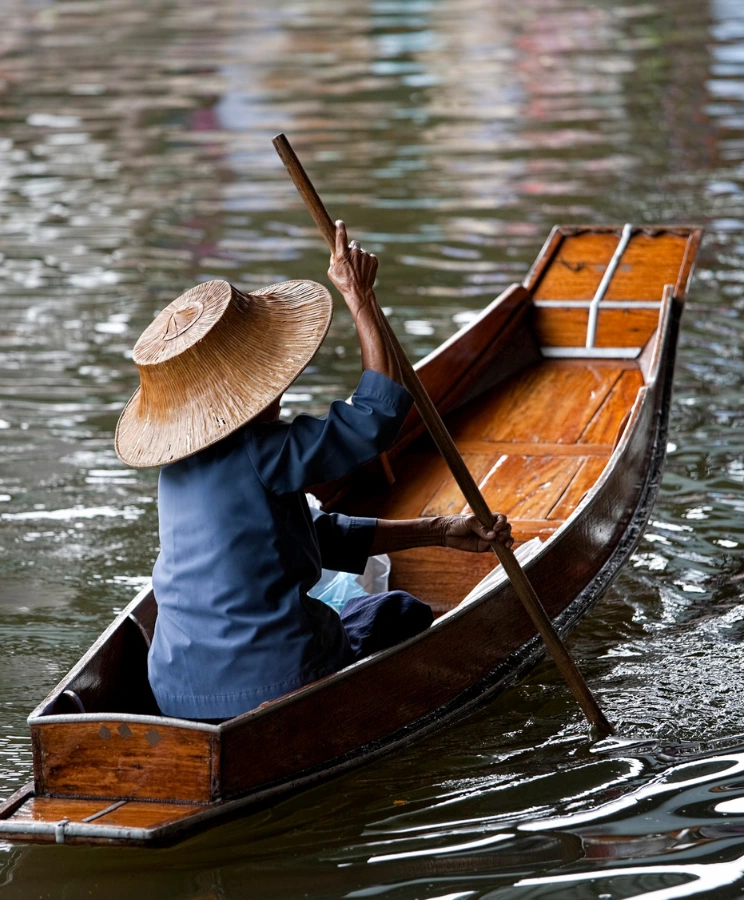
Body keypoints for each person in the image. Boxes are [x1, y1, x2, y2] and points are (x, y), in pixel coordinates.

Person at [115, 220, 513, 722]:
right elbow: (376, 417)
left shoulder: (174, 470)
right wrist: (360, 296)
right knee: (402, 612)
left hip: (172, 689)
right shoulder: (267, 451)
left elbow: (307, 535)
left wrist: (440, 531)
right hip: (275, 681)